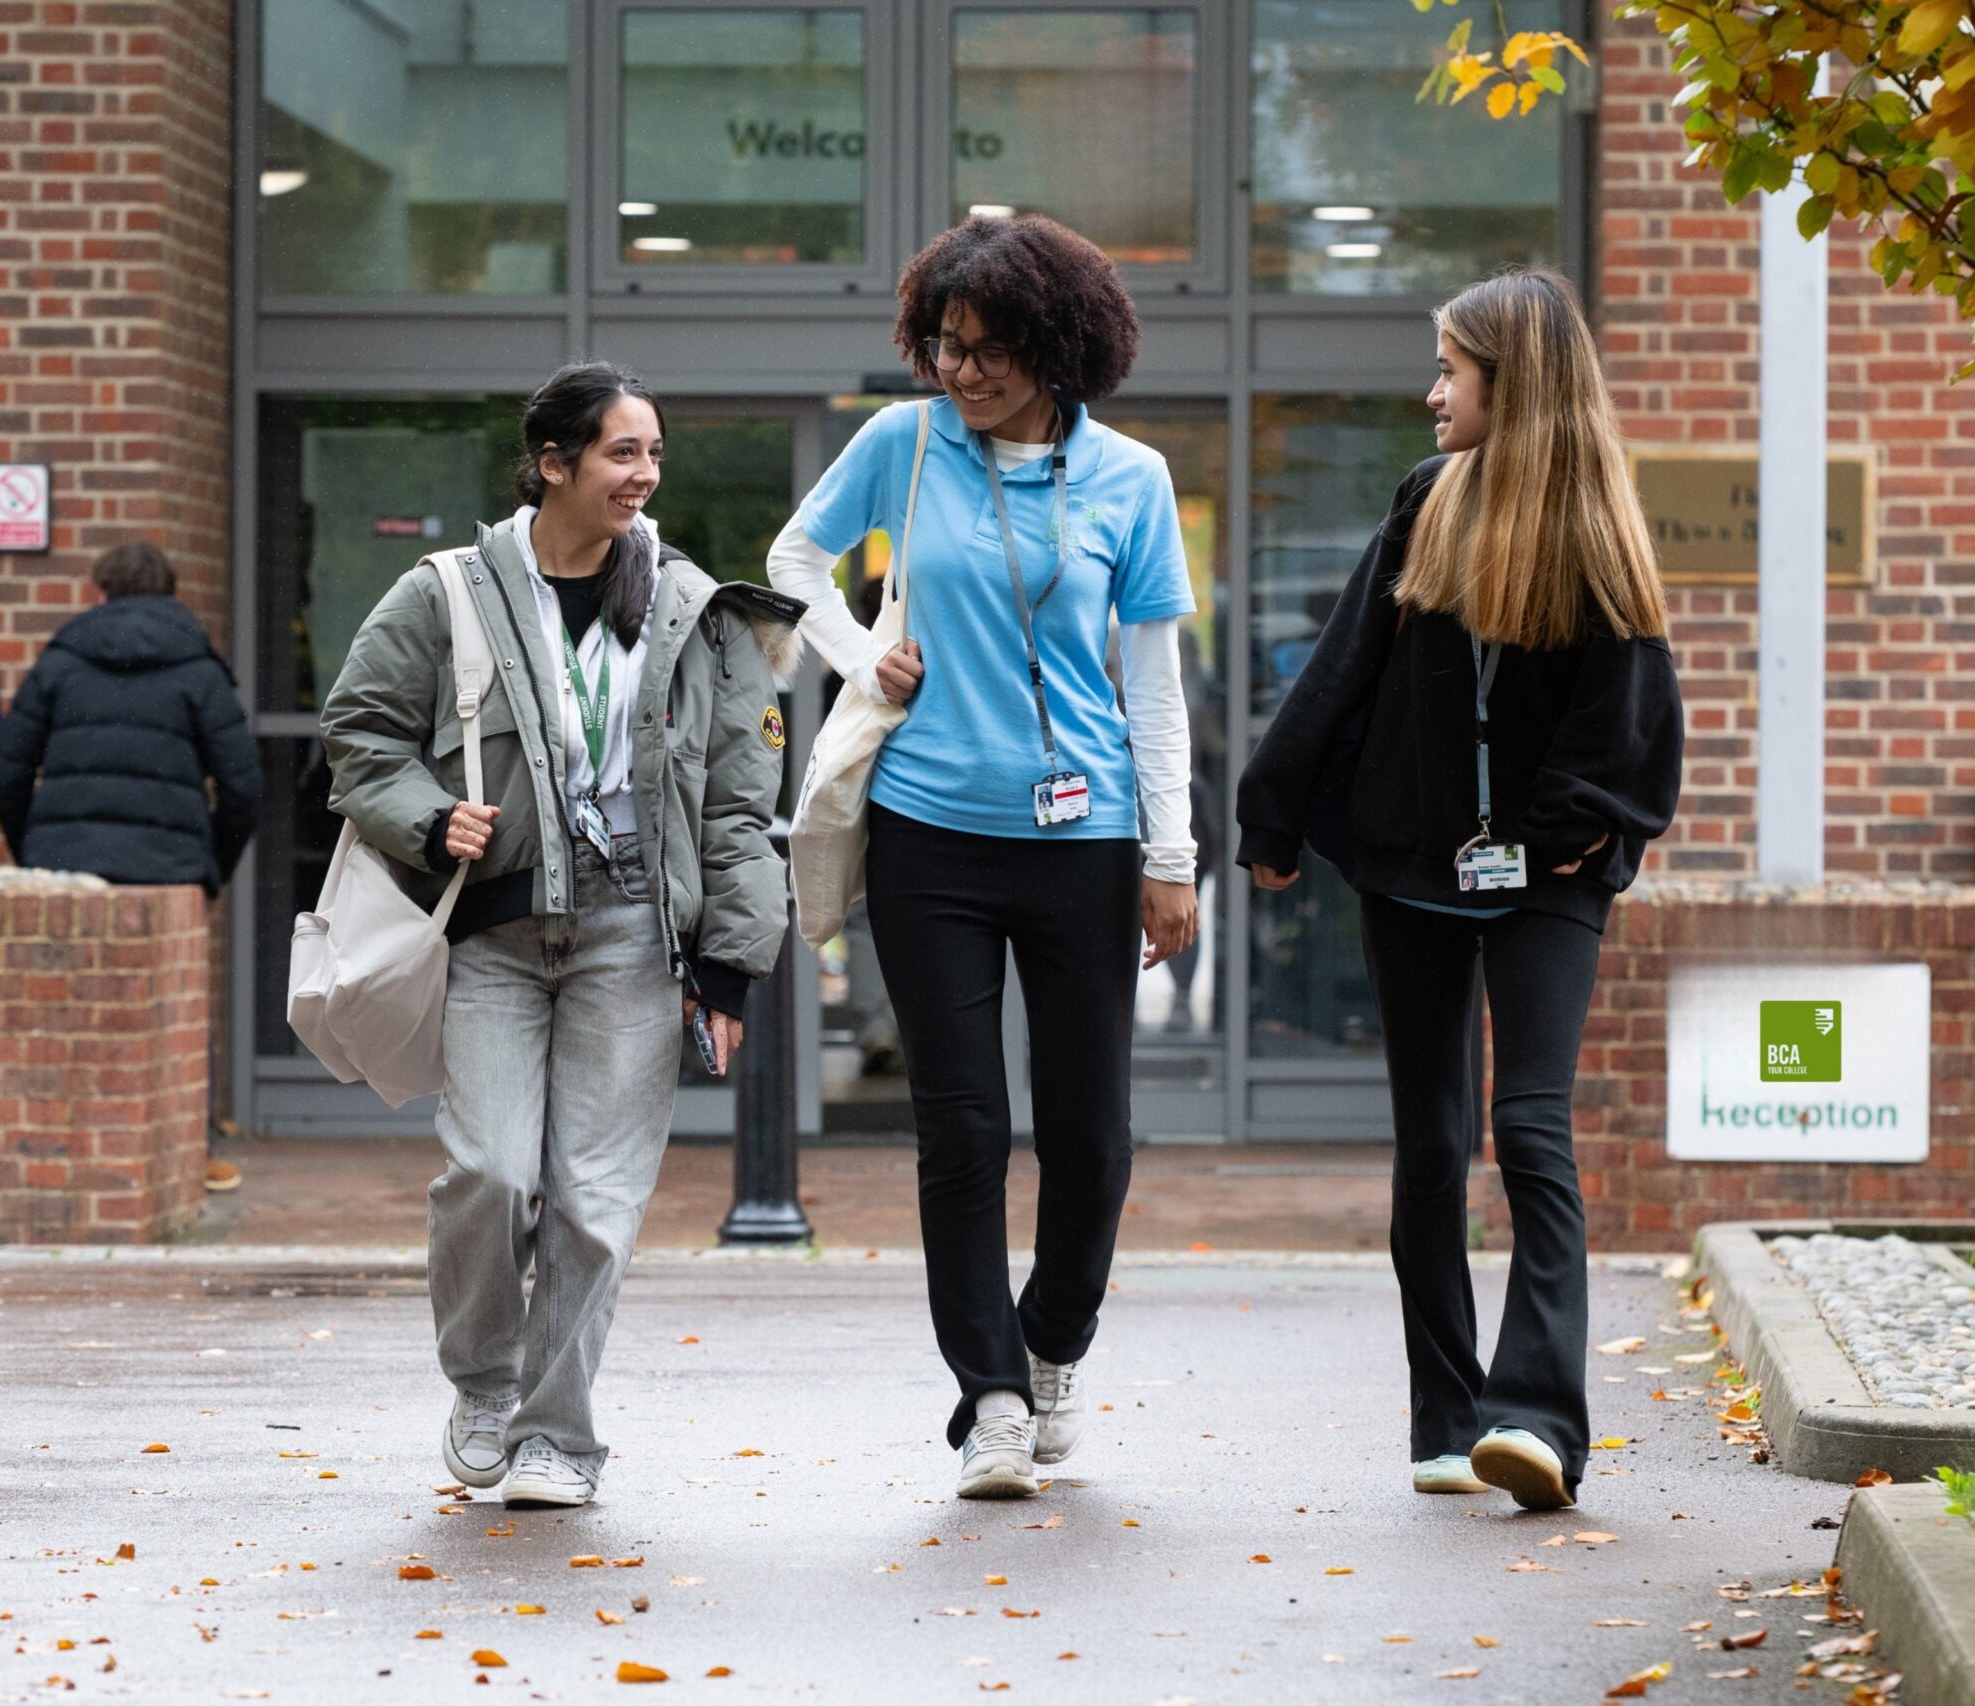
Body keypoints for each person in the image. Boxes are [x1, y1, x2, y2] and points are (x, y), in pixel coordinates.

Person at [1235, 270, 1684, 1513]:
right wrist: (1271, 811)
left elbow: (1634, 711)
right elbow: (1345, 664)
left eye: (1451, 371)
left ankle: (1537, 1416)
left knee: (1531, 1126)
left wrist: (1570, 829)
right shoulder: (1425, 498)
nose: (1431, 393)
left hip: (1550, 874)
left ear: (1514, 381)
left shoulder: (1598, 526)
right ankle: (1445, 1417)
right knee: (1432, 1142)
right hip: (1416, 866)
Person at [767, 215, 1198, 1500]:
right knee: (961, 1129)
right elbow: (795, 558)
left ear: (1060, 347)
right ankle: (995, 1395)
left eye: (991, 350)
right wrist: (858, 650)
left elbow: (1154, 687)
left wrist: (1170, 853)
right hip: (928, 832)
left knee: (1092, 1136)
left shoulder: (1130, 479)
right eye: (945, 346)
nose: (962, 372)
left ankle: (1052, 1342)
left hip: (1086, 838)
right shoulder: (901, 448)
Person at [322, 361, 798, 1510]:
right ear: (553, 463)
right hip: (495, 927)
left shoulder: (692, 606)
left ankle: (558, 1434)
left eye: (652, 456)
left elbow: (736, 800)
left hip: (633, 932)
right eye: (621, 454)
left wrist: (731, 963)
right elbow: (358, 734)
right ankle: (484, 1382)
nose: (643, 476)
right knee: (488, 1171)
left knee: (593, 1197)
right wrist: (432, 819)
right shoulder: (446, 590)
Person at [0, 541, 262, 894]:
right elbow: (243, 786)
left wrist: (37, 849)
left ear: (102, 592)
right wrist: (210, 863)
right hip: (170, 869)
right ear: (169, 594)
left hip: (65, 865)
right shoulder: (200, 671)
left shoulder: (60, 663)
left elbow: (6, 773)